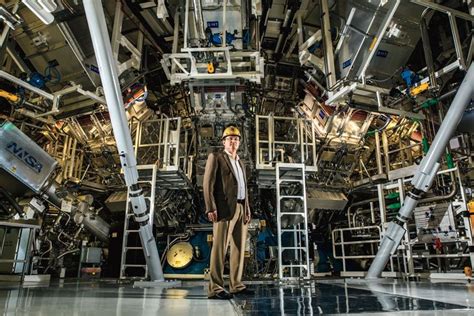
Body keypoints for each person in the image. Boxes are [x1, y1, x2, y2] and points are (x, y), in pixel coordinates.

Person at [203, 125, 251, 300]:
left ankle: (236, 285)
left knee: (239, 248)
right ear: (224, 141)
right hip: (223, 209)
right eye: (230, 139)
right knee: (219, 249)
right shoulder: (216, 157)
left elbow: (244, 187)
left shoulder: (241, 163)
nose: (233, 141)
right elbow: (207, 184)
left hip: (240, 208)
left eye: (236, 139)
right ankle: (215, 288)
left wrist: (247, 208)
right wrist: (210, 207)